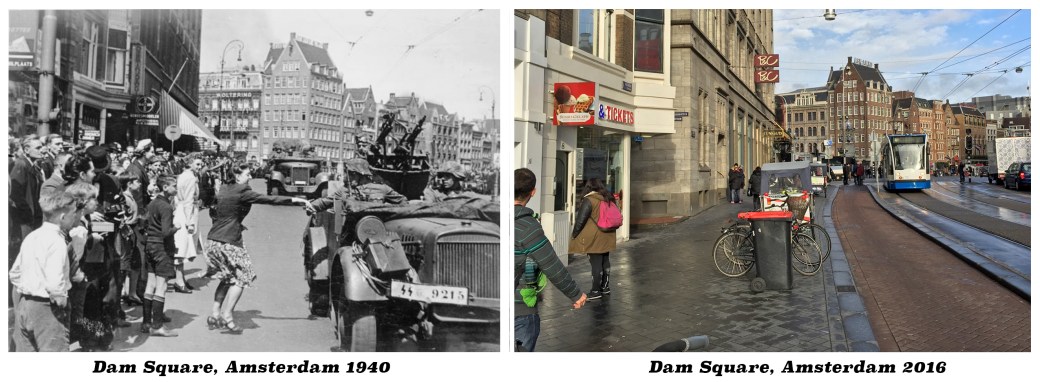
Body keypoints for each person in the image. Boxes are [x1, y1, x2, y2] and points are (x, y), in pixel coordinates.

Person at [203, 164, 311, 333]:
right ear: (238, 176)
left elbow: (214, 211)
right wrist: (297, 199)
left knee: (226, 278)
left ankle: (214, 314)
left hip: (213, 240)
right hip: (229, 241)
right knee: (243, 277)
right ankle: (227, 315)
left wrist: (232, 222)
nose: (250, 177)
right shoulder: (243, 191)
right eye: (247, 174)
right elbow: (269, 199)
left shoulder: (224, 188)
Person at [514, 168, 586, 352]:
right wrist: (576, 295)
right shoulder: (528, 227)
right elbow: (551, 265)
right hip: (519, 309)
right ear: (533, 192)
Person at [9, 191, 78, 351]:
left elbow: (15, 273)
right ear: (62, 217)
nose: (74, 217)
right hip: (48, 308)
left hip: (26, 305)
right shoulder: (57, 241)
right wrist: (61, 299)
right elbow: (55, 282)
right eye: (73, 213)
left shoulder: (32, 236)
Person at [141, 175, 180, 337]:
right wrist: (176, 228)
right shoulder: (166, 206)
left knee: (150, 283)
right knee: (162, 285)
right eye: (174, 186)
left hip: (150, 245)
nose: (176, 189)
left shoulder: (152, 203)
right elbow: (166, 232)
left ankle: (146, 322)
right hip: (162, 247)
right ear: (165, 187)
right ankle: (157, 325)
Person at [568, 178, 617, 300]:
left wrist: (574, 235)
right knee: (605, 261)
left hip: (595, 237)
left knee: (595, 264)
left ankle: (595, 291)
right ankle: (605, 288)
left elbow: (580, 220)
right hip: (608, 234)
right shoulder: (608, 198)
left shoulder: (589, 200)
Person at [171, 157, 203, 293]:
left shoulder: (185, 175)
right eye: (197, 164)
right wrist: (189, 222)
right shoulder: (189, 178)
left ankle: (181, 278)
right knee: (182, 247)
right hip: (185, 213)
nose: (200, 166)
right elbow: (188, 199)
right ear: (189, 164)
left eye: (201, 164)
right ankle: (179, 280)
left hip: (182, 210)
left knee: (184, 246)